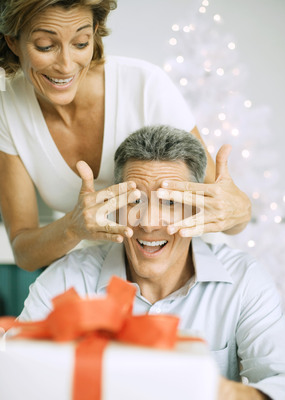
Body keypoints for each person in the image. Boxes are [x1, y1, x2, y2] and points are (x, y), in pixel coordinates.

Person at [19, 125, 285, 400]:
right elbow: (17, 380)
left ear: (197, 208)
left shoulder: (244, 280)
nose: (149, 222)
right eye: (134, 200)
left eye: (170, 201)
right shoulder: (67, 280)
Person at [0, 0, 251, 273]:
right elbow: (25, 253)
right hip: (100, 275)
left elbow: (230, 215)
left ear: (95, 33)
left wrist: (242, 209)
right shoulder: (8, 109)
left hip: (186, 271)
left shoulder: (145, 87)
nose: (66, 65)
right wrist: (72, 227)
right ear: (13, 41)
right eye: (45, 46)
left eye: (81, 43)